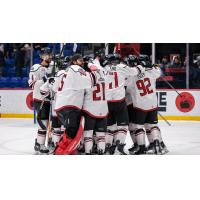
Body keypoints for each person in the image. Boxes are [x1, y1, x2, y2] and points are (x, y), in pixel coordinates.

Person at [53, 54, 103, 155]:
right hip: (70, 104)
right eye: (80, 60)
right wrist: (93, 68)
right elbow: (92, 80)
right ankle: (58, 151)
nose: (82, 62)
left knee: (72, 130)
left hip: (61, 105)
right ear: (74, 62)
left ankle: (66, 150)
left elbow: (54, 88)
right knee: (72, 130)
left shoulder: (65, 71)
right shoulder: (76, 68)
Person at [104, 53, 145, 155]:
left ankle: (108, 148)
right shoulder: (122, 67)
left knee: (110, 127)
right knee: (123, 126)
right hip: (119, 101)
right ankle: (119, 146)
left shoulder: (104, 68)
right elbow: (135, 71)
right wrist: (141, 66)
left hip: (107, 102)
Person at [127, 55, 168, 154]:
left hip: (140, 104)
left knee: (138, 126)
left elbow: (127, 89)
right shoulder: (151, 71)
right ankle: (157, 145)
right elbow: (159, 72)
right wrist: (153, 66)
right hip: (152, 103)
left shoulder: (131, 75)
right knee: (153, 125)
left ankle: (141, 148)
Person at [28, 47, 53, 154]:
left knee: (51, 123)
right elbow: (32, 84)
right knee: (43, 122)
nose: (49, 56)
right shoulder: (36, 67)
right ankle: (40, 144)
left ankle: (46, 142)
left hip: (51, 100)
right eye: (47, 54)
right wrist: (46, 79)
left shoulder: (53, 67)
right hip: (40, 99)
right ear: (41, 56)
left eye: (50, 54)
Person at [82, 55, 108, 155]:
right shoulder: (105, 77)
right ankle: (101, 152)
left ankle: (88, 152)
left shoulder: (87, 78)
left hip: (90, 109)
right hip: (103, 109)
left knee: (88, 134)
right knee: (101, 135)